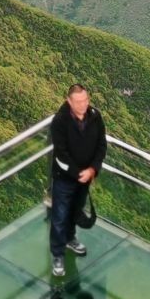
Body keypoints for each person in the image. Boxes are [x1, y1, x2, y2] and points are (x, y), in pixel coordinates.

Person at [49, 83, 106, 278]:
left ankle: (70, 238)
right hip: (64, 178)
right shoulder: (60, 121)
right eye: (78, 102)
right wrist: (78, 173)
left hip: (86, 176)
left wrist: (92, 169)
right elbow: (60, 155)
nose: (83, 105)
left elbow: (101, 145)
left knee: (75, 210)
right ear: (69, 101)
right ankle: (57, 254)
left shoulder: (95, 117)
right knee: (59, 215)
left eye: (85, 100)